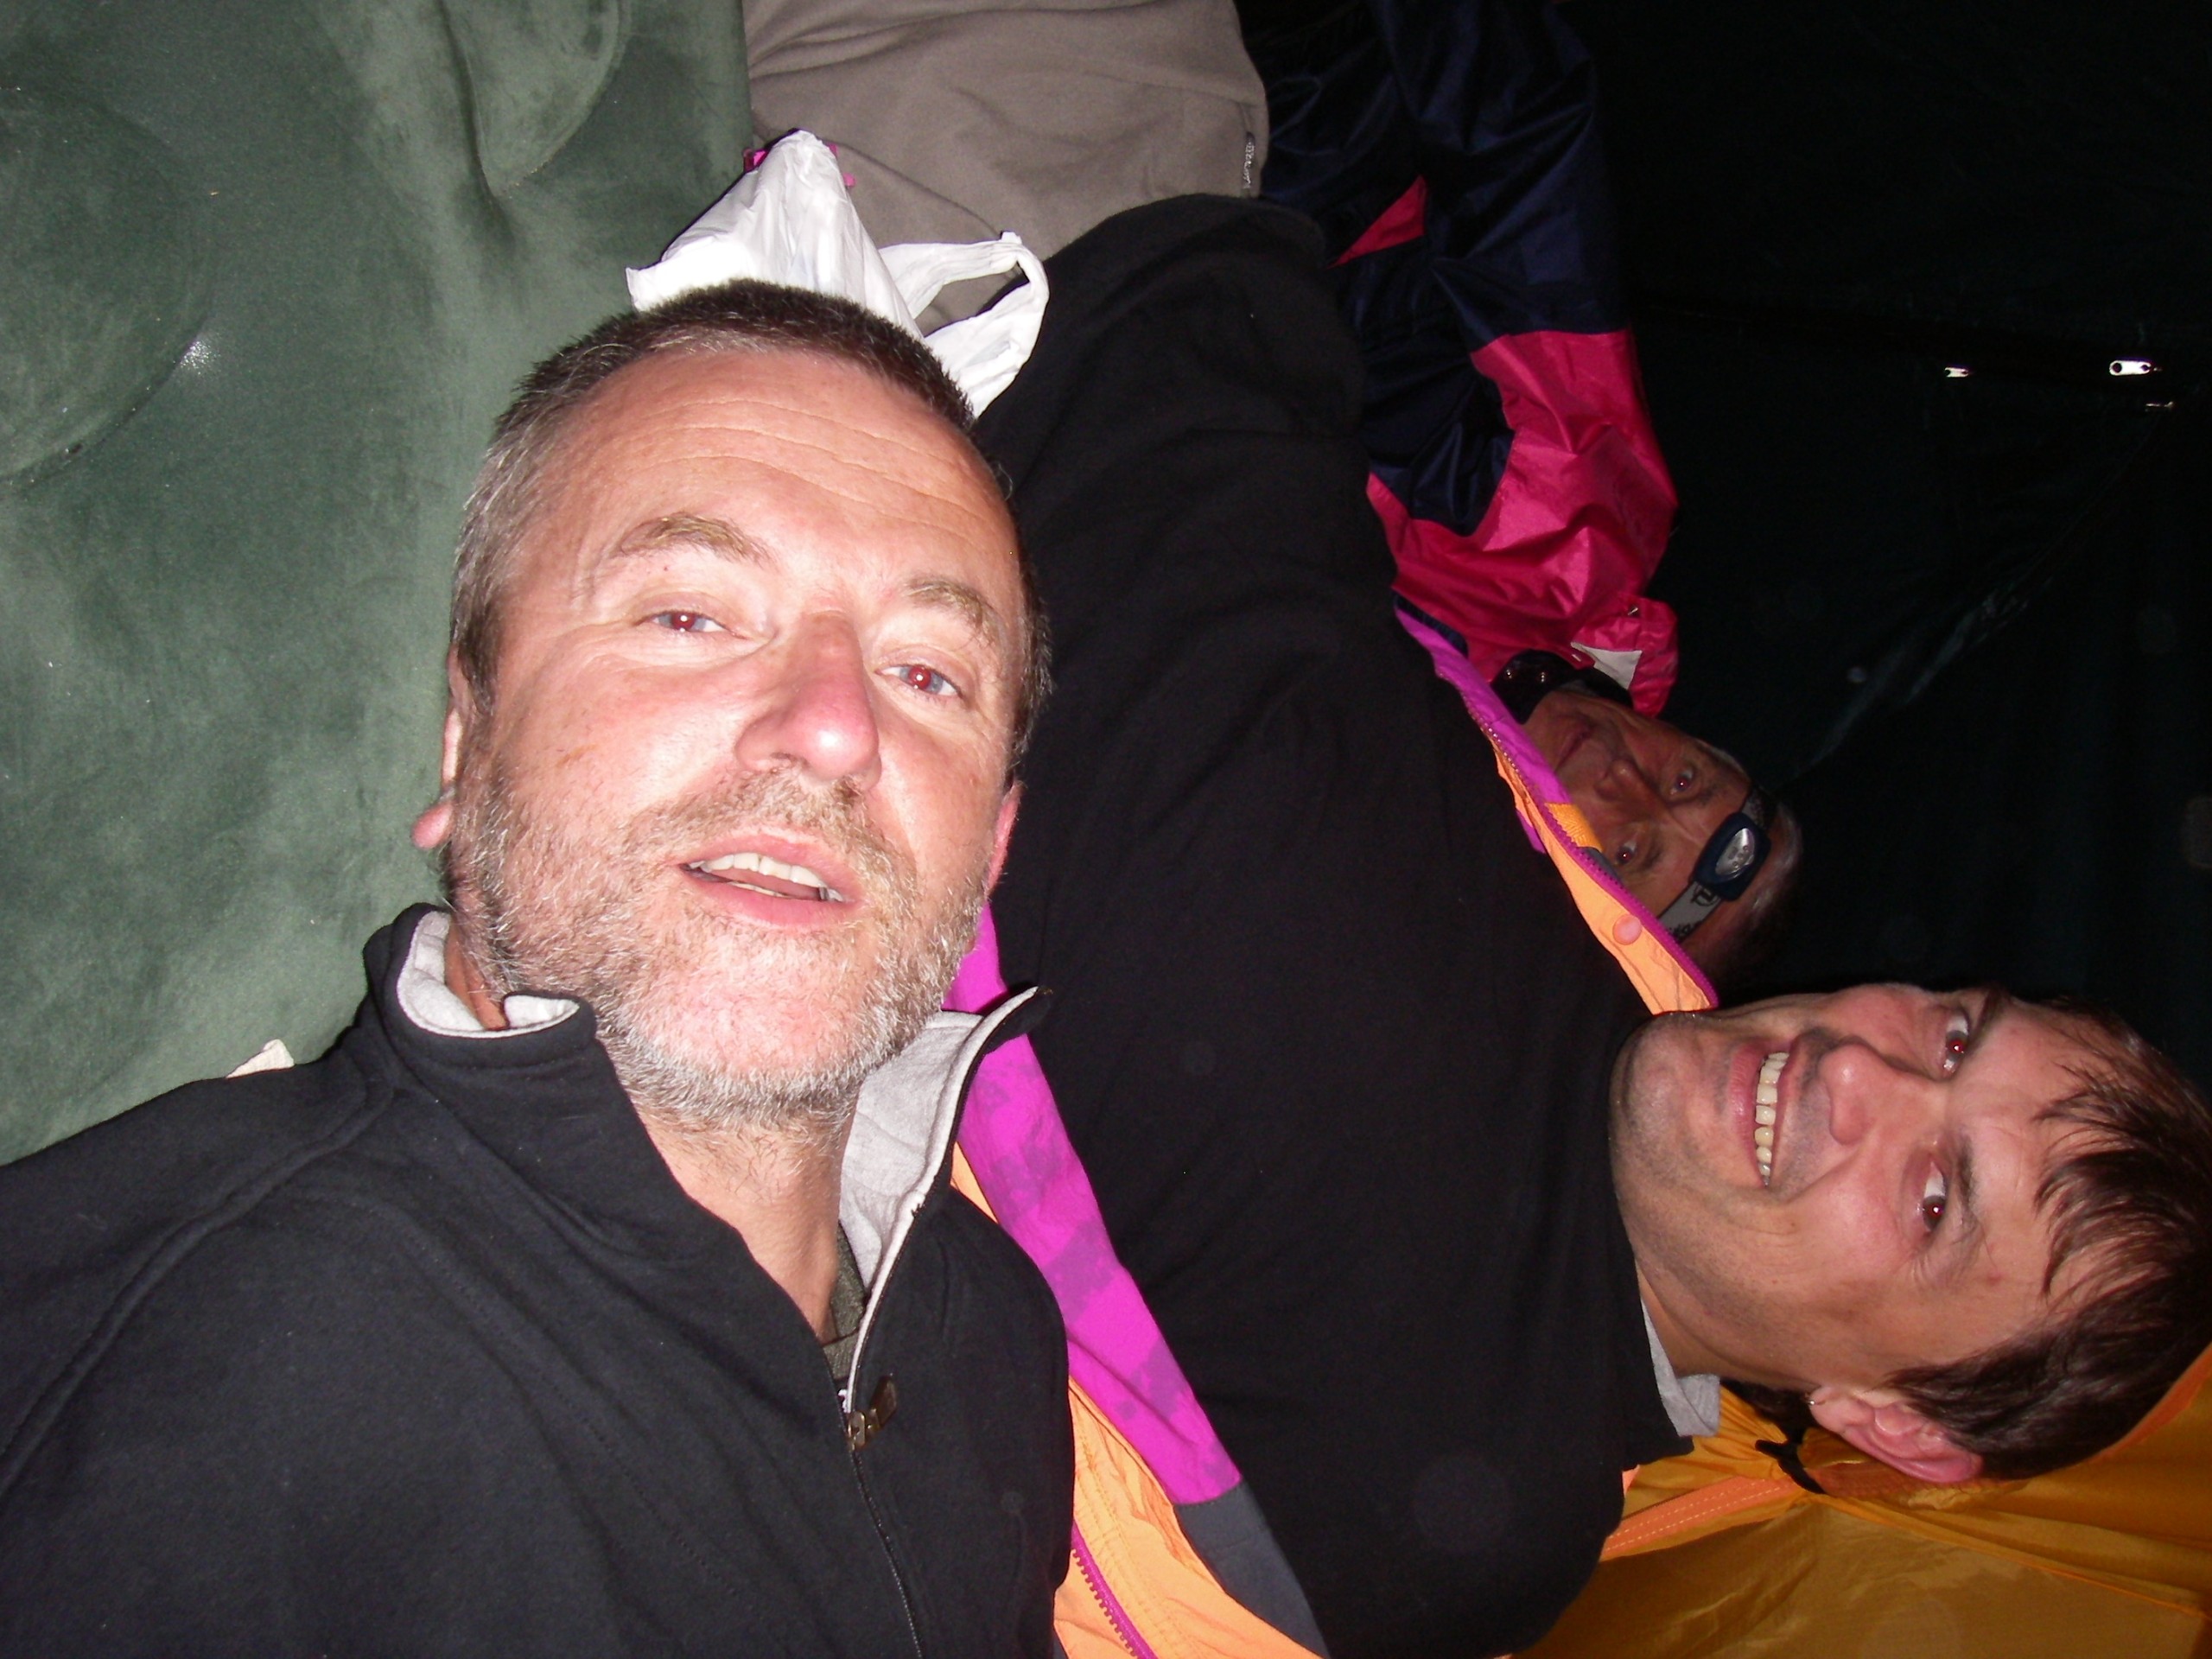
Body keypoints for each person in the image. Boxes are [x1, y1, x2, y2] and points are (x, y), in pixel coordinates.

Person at [972, 194, 2212, 1656]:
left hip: (928, 418)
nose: (1862, 1072)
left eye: (1937, 1198)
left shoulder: (1444, 1508)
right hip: (1145, 265)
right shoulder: (1617, 967)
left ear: (1896, 1422)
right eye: (1952, 1038)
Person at [0, 283, 1073, 1656]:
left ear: (992, 845)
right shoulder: (170, 1386)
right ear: (468, 740)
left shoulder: (994, 1330)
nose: (831, 727)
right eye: (688, 615)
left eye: (928, 674)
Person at [1245, 0, 1801, 986]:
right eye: (1684, 777)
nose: (1624, 776)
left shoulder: (1381, 821)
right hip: (1250, 172)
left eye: (1629, 848)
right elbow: (1522, 154)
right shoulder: (1578, 529)